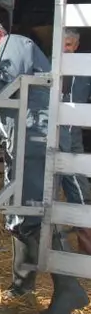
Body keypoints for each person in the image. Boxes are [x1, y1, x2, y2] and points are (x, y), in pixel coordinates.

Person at [0, 19, 89, 314]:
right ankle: (22, 286)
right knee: (19, 215)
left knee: (32, 212)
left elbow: (6, 85)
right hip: (25, 142)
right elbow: (14, 107)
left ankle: (68, 288)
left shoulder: (16, 46)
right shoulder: (8, 55)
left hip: (38, 140)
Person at [59, 28, 91, 255]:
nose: (65, 49)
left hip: (72, 136)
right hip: (54, 135)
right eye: (62, 44)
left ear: (76, 47)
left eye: (69, 45)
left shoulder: (83, 69)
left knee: (80, 193)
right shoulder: (49, 66)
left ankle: (86, 253)